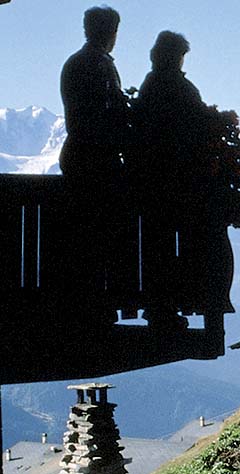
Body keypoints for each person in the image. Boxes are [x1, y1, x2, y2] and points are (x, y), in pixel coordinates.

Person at [132, 30, 213, 327]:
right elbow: (199, 123)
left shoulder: (150, 85)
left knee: (157, 246)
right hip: (176, 182)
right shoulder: (177, 86)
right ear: (174, 56)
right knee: (169, 247)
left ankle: (160, 306)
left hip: (154, 181)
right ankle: (166, 307)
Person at [60, 7, 130, 306]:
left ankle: (85, 299)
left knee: (83, 235)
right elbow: (114, 114)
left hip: (76, 158)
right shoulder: (102, 66)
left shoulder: (73, 63)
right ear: (110, 33)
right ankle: (103, 301)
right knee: (104, 234)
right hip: (98, 162)